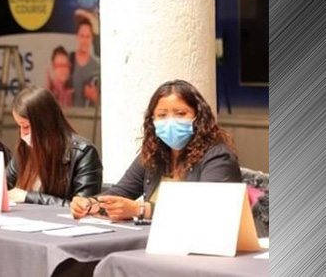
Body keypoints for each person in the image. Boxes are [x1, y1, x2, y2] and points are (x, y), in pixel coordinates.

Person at [70, 80, 242, 221]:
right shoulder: (154, 154)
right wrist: (90, 203)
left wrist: (140, 209)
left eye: (181, 114)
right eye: (162, 115)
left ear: (198, 117)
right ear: (153, 120)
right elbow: (120, 192)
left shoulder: (218, 156)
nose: (171, 121)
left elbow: (210, 210)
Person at [7, 86, 102, 206]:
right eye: (19, 126)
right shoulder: (25, 150)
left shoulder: (83, 153)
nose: (22, 134)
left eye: (26, 126)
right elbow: (3, 186)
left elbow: (84, 207)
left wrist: (28, 197)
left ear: (45, 123)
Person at [70, 10, 100, 107]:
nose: (85, 40)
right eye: (82, 36)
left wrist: (94, 97)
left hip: (88, 119)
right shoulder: (67, 60)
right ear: (77, 37)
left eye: (88, 36)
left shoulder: (96, 66)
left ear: (92, 39)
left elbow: (102, 104)